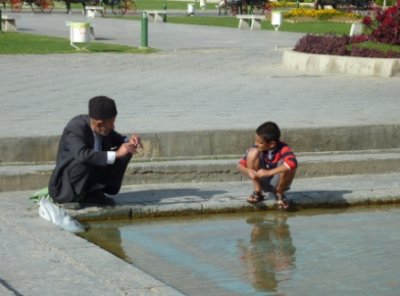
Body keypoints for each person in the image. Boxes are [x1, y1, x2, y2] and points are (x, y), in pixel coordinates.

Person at [48, 96, 142, 206]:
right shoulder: (75, 128)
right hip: (66, 186)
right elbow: (82, 154)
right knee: (86, 159)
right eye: (111, 123)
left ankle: (94, 193)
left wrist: (130, 141)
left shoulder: (104, 129)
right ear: (99, 124)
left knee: (126, 151)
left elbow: (118, 138)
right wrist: (116, 153)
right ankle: (77, 195)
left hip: (90, 175)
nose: (113, 126)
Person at [237, 121, 297, 210]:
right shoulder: (256, 147)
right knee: (252, 153)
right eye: (255, 141)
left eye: (260, 142)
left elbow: (293, 163)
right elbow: (240, 166)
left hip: (279, 182)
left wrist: (268, 172)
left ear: (271, 144)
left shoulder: (283, 148)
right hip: (262, 180)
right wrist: (248, 171)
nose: (256, 144)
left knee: (287, 165)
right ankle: (258, 192)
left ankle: (280, 194)